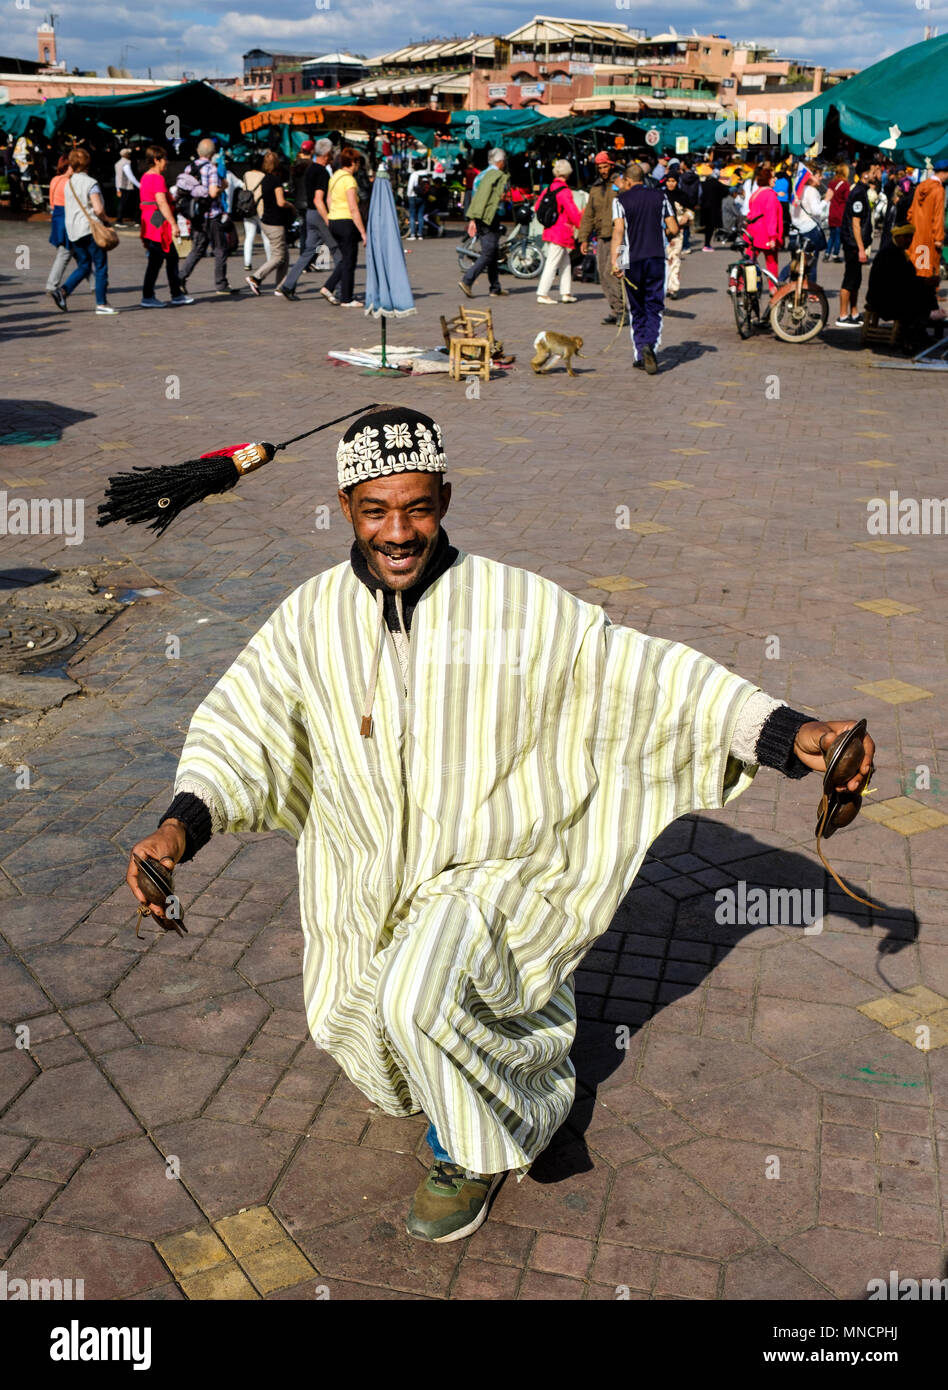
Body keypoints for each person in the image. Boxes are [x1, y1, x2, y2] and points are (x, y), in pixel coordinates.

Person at [126, 402, 876, 1245]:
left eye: (419, 506)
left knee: (418, 995)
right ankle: (492, 1078)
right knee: (356, 1018)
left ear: (445, 496)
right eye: (376, 510)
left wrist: (791, 735)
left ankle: (476, 1147)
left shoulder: (514, 605)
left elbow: (647, 676)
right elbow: (242, 727)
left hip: (496, 868)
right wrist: (178, 830)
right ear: (345, 510)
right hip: (363, 875)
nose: (399, 531)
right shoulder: (308, 618)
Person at [610, 161, 678, 374]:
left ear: (628, 180)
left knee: (637, 307)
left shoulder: (620, 200)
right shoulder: (661, 196)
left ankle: (640, 352)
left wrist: (617, 262)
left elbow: (619, 232)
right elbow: (673, 227)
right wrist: (665, 236)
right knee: (654, 305)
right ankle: (651, 344)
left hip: (632, 260)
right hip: (656, 257)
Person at [52, 147, 118, 315]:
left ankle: (63, 291)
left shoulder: (69, 183)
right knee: (101, 266)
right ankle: (101, 304)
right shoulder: (91, 183)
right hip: (90, 230)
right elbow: (97, 209)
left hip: (73, 230)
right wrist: (107, 220)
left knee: (84, 265)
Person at [276, 138, 340, 301]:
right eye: (331, 152)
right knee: (337, 250)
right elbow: (319, 199)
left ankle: (288, 285)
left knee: (308, 251)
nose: (332, 155)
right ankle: (341, 288)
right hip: (318, 213)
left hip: (310, 214)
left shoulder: (310, 169)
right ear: (326, 154)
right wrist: (328, 220)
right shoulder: (322, 172)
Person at [138, 144, 194, 309]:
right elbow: (161, 202)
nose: (166, 163)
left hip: (150, 219)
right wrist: (173, 224)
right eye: (164, 159)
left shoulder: (145, 177)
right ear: (156, 160)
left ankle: (173, 293)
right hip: (158, 219)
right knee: (161, 259)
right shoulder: (157, 178)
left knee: (165, 258)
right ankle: (159, 295)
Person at [178, 138, 234, 297]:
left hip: (196, 214)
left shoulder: (189, 167)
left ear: (198, 151)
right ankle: (221, 283)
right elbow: (213, 192)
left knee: (197, 249)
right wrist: (221, 187)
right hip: (211, 213)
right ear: (213, 153)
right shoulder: (211, 169)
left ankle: (181, 277)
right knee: (220, 249)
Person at [577, 151, 626, 324]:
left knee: (614, 273)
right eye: (599, 167)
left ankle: (623, 311)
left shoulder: (621, 183)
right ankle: (615, 310)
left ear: (612, 165)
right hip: (602, 236)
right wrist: (584, 238)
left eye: (605, 166)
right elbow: (588, 215)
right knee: (603, 275)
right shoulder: (596, 188)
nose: (602, 170)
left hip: (620, 237)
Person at [459, 147, 509, 299]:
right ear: (501, 161)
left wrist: (473, 218)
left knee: (492, 252)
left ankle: (495, 287)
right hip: (489, 217)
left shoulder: (481, 175)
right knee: (488, 252)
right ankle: (467, 280)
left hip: (480, 216)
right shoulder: (497, 176)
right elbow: (493, 196)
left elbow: (476, 197)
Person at [322, 146, 367, 308]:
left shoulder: (334, 177)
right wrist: (363, 232)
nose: (358, 166)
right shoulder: (349, 180)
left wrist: (330, 216)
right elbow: (353, 208)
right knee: (350, 261)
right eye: (357, 163)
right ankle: (346, 298)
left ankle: (328, 287)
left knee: (345, 258)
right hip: (346, 222)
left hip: (334, 220)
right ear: (353, 162)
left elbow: (328, 200)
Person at [534, 158, 582, 306]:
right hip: (562, 231)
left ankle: (566, 292)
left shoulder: (548, 189)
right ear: (568, 173)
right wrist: (582, 224)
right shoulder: (565, 191)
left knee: (565, 262)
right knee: (553, 263)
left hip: (550, 229)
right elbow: (572, 212)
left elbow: (537, 207)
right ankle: (542, 293)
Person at [837, 161, 879, 328]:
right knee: (850, 279)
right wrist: (861, 248)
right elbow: (855, 223)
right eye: (874, 170)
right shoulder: (859, 193)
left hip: (857, 243)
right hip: (853, 244)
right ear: (865, 174)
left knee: (857, 279)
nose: (877, 174)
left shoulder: (863, 191)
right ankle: (842, 315)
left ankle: (853, 312)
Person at [906, 160, 948, 315]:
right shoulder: (938, 190)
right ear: (944, 173)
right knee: (929, 276)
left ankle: (914, 307)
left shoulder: (920, 187)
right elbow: (938, 216)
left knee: (916, 272)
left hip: (917, 235)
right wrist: (939, 237)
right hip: (929, 238)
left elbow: (910, 213)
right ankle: (924, 312)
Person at [245, 150, 290, 295]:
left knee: (284, 255)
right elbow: (281, 202)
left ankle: (281, 286)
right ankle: (256, 277)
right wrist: (291, 206)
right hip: (275, 222)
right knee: (279, 256)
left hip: (266, 218)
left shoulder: (265, 179)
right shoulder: (275, 180)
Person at [785, 164, 826, 282]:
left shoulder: (797, 189)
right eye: (819, 175)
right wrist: (826, 200)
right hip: (809, 229)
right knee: (811, 262)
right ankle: (811, 289)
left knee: (795, 262)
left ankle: (792, 288)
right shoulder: (812, 191)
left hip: (795, 229)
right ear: (811, 176)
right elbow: (816, 210)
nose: (821, 178)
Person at [45, 155, 74, 302]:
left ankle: (96, 284)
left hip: (57, 217)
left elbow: (51, 202)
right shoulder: (69, 183)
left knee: (78, 255)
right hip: (66, 218)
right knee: (65, 253)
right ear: (67, 167)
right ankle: (52, 285)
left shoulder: (54, 180)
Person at [747, 166, 783, 283]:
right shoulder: (770, 195)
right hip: (766, 234)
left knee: (749, 261)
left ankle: (739, 284)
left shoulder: (756, 193)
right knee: (772, 263)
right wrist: (773, 237)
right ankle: (773, 288)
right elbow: (771, 217)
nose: (775, 179)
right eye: (773, 177)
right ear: (768, 179)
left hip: (753, 233)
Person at [662, 169, 692, 300]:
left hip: (677, 233)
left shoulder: (683, 196)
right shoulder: (661, 195)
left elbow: (690, 212)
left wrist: (686, 216)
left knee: (674, 259)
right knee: (664, 260)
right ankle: (665, 286)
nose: (670, 184)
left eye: (673, 181)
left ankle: (673, 288)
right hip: (662, 232)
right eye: (668, 181)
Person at [241, 158, 272, 272]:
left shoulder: (246, 174)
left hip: (247, 207)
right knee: (266, 237)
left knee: (249, 236)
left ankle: (247, 263)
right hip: (261, 208)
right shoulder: (263, 176)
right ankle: (270, 261)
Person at [826, 163, 850, 261]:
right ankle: (835, 254)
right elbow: (847, 199)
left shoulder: (831, 183)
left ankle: (827, 253)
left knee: (832, 235)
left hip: (832, 212)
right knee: (838, 236)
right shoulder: (845, 184)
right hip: (841, 212)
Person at [699, 166, 726, 250]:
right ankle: (707, 244)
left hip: (704, 208)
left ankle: (706, 244)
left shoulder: (704, 183)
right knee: (710, 227)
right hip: (714, 209)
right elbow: (725, 192)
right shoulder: (718, 184)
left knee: (707, 227)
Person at [113, 146, 140, 226]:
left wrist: (117, 188)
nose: (129, 155)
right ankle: (121, 220)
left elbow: (117, 176)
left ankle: (120, 219)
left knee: (122, 203)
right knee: (127, 203)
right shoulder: (126, 164)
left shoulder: (118, 163)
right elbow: (130, 176)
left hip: (120, 186)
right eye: (128, 154)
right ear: (125, 155)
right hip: (126, 186)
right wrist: (139, 185)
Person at [405, 160, 426, 240]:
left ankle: (413, 234)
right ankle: (420, 234)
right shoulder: (425, 174)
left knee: (412, 215)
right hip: (423, 196)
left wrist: (408, 195)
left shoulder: (414, 174)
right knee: (421, 215)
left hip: (413, 196)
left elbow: (410, 186)